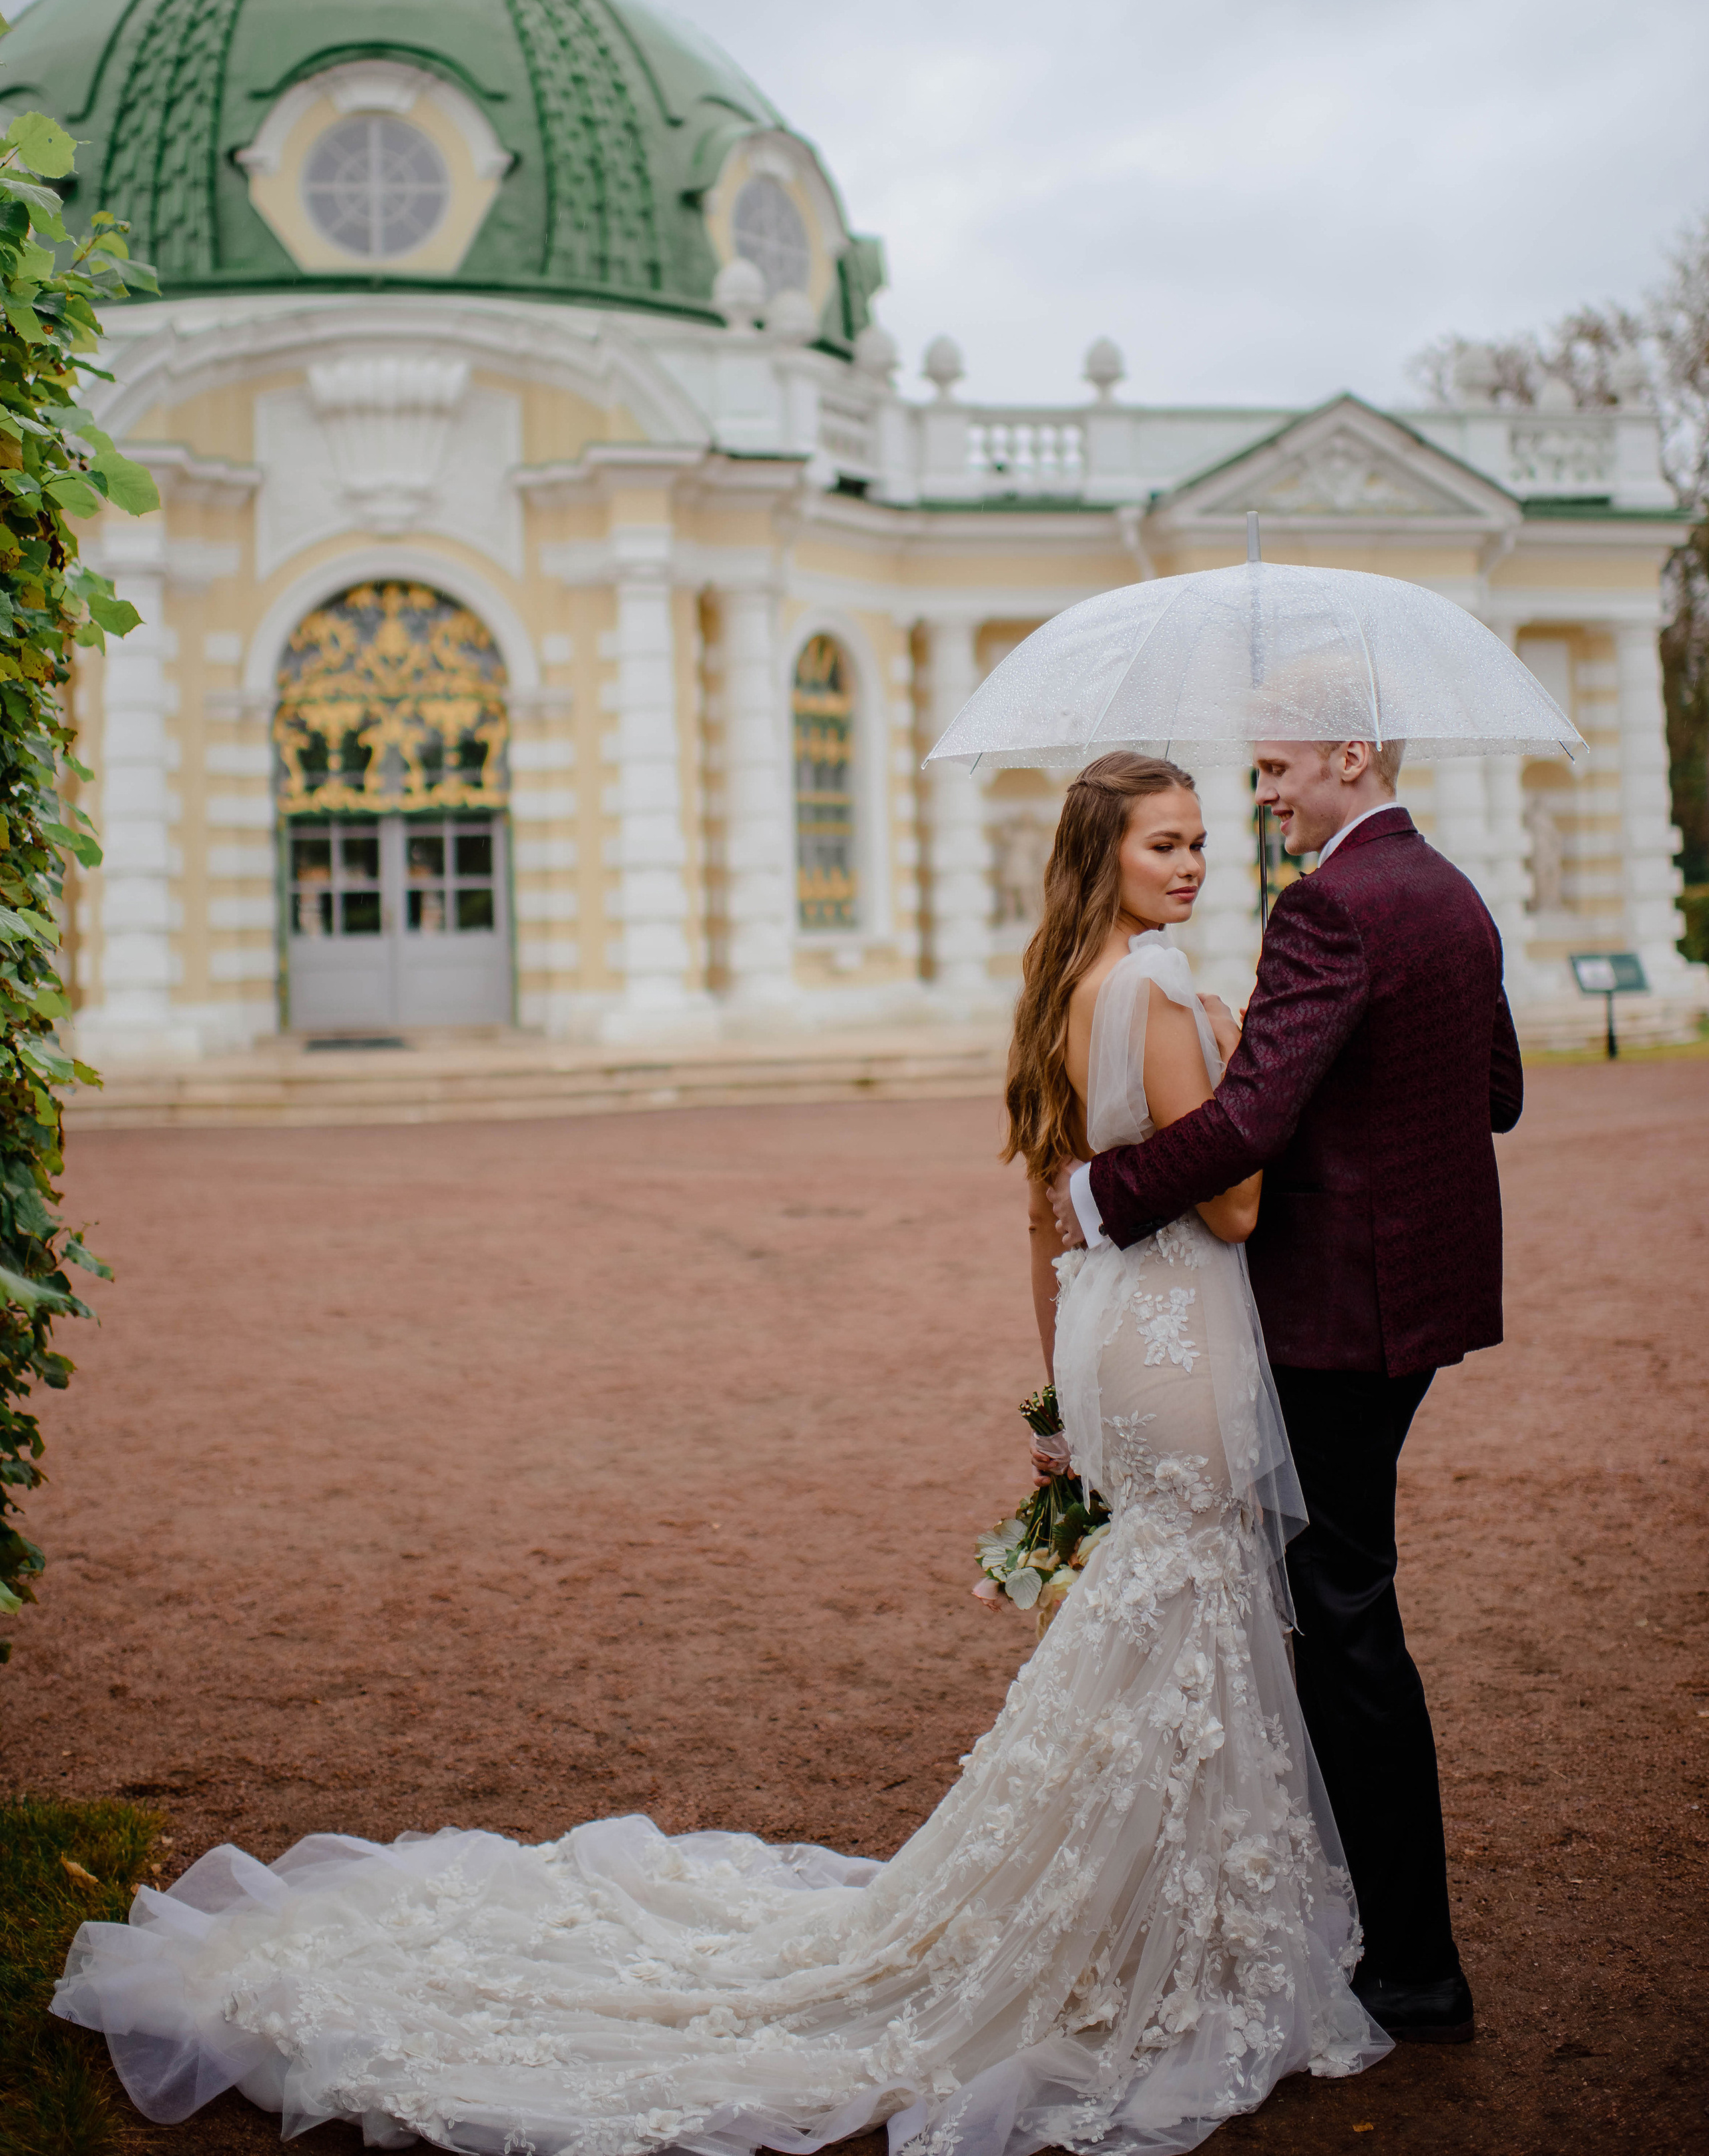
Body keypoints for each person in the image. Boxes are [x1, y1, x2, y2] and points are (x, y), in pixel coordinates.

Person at [54, 754, 1387, 2156]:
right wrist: (1256, 1073)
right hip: (1174, 1332)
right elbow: (1231, 1204)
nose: (1187, 865)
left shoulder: (1057, 991)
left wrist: (1057, 1392)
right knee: (1185, 1602)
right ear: (1101, 857)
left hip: (1113, 1340)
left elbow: (1042, 1218)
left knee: (1150, 1611)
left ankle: (1120, 1914)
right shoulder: (1163, 992)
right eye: (1162, 845)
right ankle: (1148, 1939)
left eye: (1194, 843)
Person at [1049, 738, 1523, 2048]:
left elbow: (1250, 1125)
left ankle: (1414, 1964)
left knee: (1341, 1611)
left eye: (1272, 767)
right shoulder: (1450, 889)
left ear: (1346, 755)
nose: (1258, 795)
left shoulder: (1326, 903)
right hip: (1422, 1303)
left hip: (1334, 1312)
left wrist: (1099, 1196)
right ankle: (1349, 1910)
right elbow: (1496, 1092)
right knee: (1332, 1599)